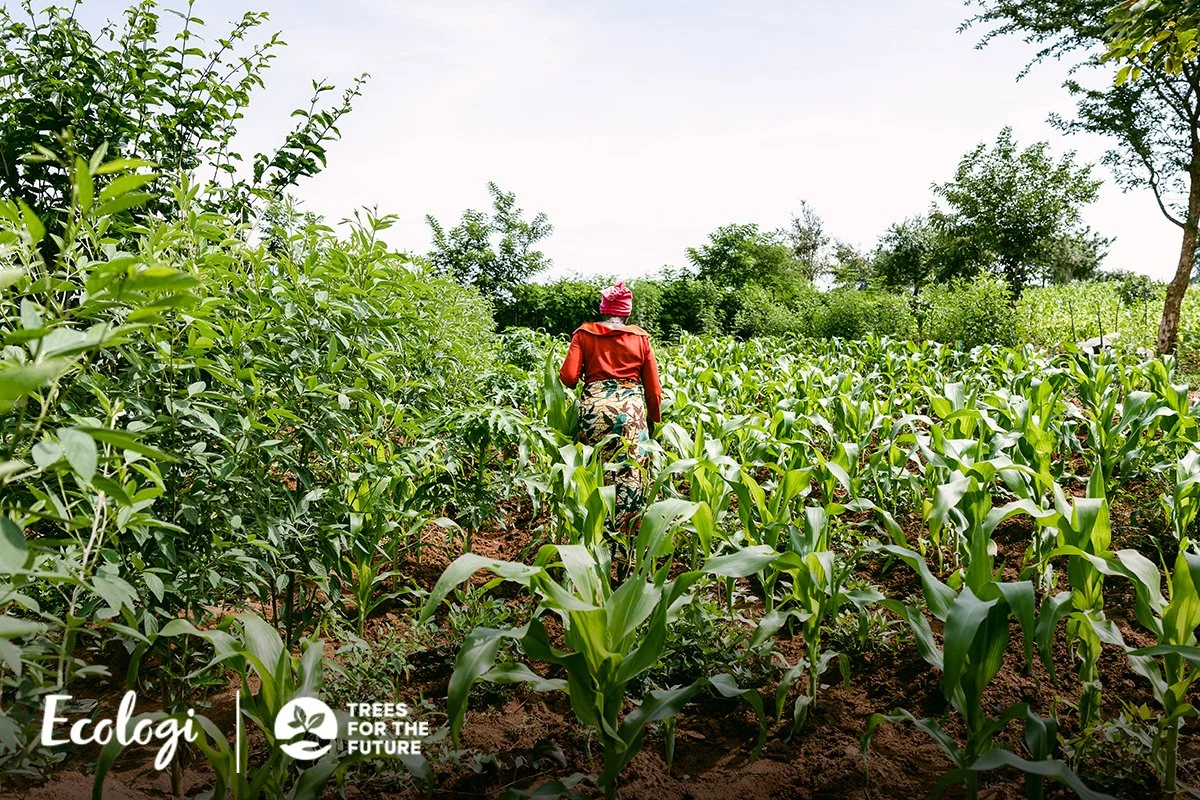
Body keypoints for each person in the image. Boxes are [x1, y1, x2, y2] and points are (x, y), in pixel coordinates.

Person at [559, 281, 663, 533]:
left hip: (595, 411)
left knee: (595, 471)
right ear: (625, 312)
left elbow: (569, 377)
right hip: (632, 413)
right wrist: (653, 422)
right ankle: (625, 538)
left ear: (602, 309)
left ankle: (595, 532)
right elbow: (654, 391)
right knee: (632, 475)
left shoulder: (583, 334)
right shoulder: (640, 338)